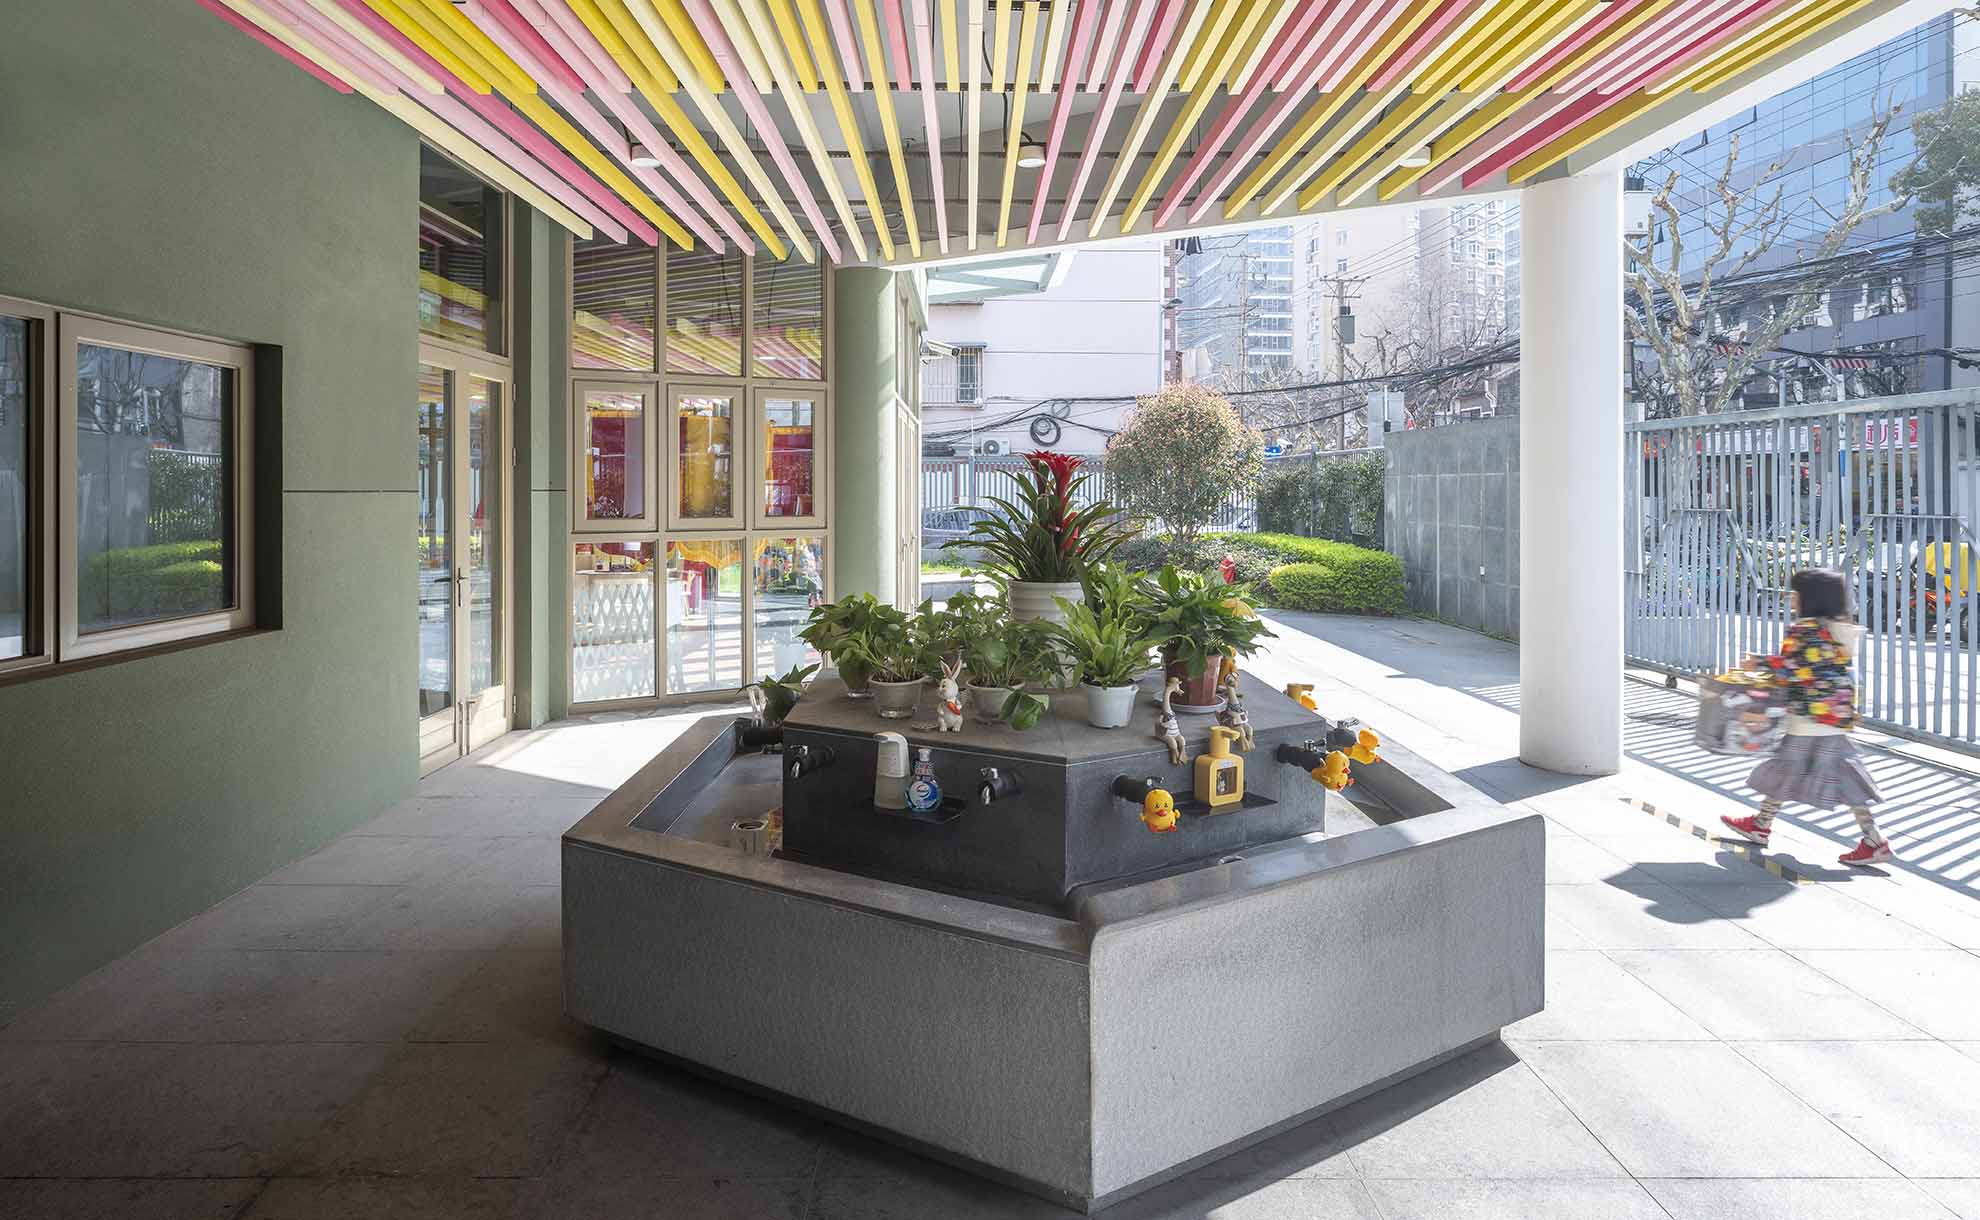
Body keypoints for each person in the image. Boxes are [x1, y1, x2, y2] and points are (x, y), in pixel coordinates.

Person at [1721, 568, 1893, 866]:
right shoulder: (1839, 629)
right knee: (1837, 776)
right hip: (1833, 717)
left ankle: (1762, 825)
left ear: (1809, 598)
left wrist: (1758, 662)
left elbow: (1794, 669)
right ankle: (1872, 840)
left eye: (1795, 592)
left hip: (1808, 717)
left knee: (1786, 769)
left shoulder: (1806, 630)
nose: (1791, 597)